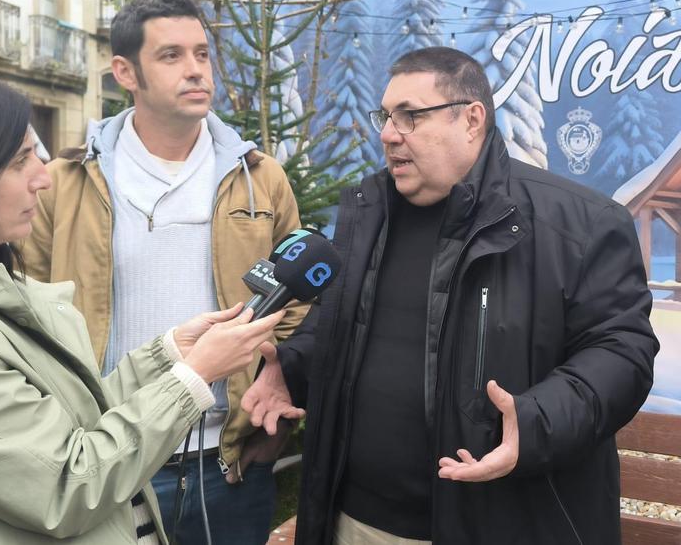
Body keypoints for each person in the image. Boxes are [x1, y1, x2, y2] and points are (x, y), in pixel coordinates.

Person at [0, 67, 285, 544]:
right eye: (20, 161)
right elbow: (67, 484)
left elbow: (68, 418)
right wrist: (193, 379)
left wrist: (169, 355)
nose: (43, 177)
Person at [242, 46, 659, 544]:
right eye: (386, 116)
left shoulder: (580, 225)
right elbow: (346, 327)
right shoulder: (368, 213)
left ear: (472, 120)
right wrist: (293, 371)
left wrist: (537, 421)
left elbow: (622, 352)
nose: (388, 133)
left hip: (499, 524)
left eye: (411, 116)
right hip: (354, 521)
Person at [20, 0, 307, 544]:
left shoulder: (260, 176)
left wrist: (276, 383)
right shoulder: (66, 179)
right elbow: (27, 310)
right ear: (125, 72)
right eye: (171, 55)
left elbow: (298, 300)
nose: (196, 69)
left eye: (202, 53)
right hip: (106, 455)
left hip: (226, 462)